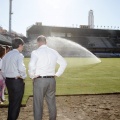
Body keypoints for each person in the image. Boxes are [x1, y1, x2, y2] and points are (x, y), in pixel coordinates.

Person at [28, 35, 67, 120]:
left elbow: (31, 65)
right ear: (46, 42)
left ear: (38, 43)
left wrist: (32, 76)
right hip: (51, 80)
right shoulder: (53, 51)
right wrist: (57, 74)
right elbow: (64, 63)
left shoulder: (35, 52)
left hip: (40, 80)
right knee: (52, 103)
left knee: (38, 104)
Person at [2, 37, 27, 120]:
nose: (23, 47)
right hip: (16, 82)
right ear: (19, 45)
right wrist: (23, 76)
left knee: (12, 103)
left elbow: (3, 70)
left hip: (8, 81)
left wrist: (7, 76)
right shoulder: (19, 55)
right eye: (22, 46)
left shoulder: (6, 55)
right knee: (16, 104)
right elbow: (21, 69)